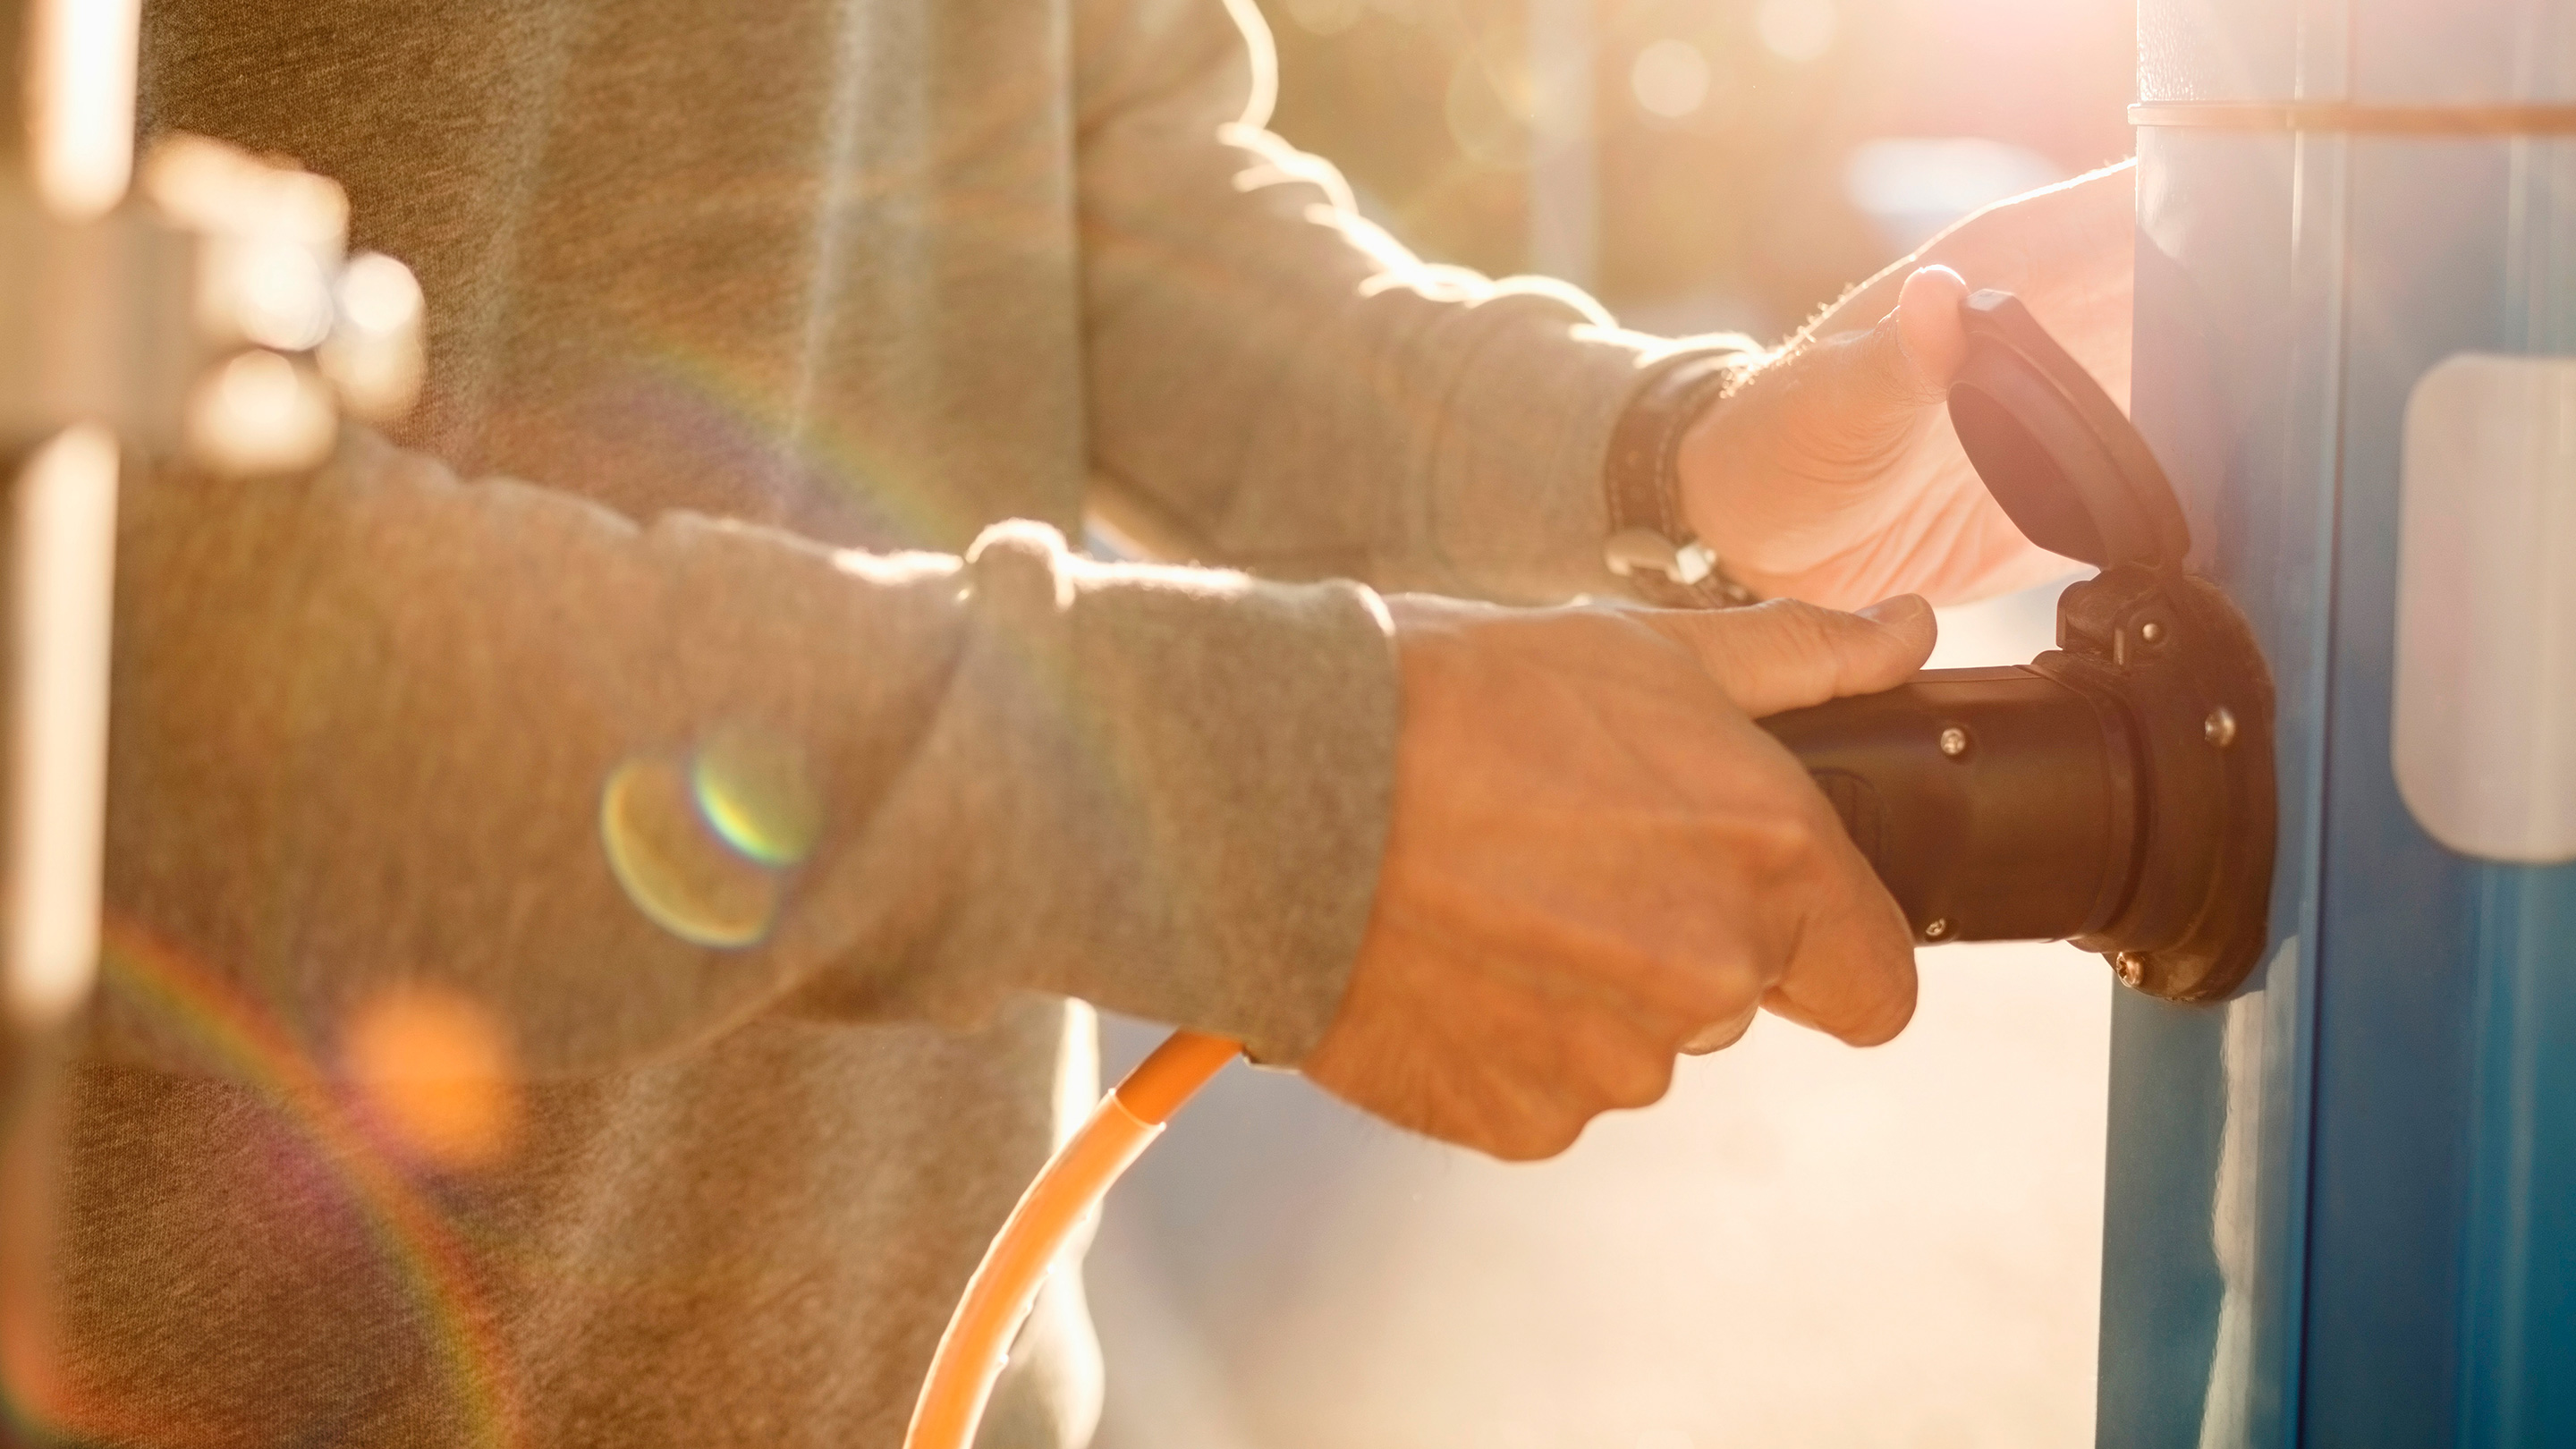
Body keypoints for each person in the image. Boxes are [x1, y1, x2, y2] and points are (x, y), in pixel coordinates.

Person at [33, 0, 2129, 1444]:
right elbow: (81, 609)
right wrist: (1267, 799)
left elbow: (1091, 180)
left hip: (949, 1383)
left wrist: (1672, 454)